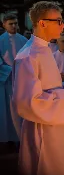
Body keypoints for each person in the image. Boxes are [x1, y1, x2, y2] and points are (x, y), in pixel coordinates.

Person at [12, 1, 64, 175]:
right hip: (42, 130)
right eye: (58, 21)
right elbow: (28, 101)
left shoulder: (45, 50)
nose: (63, 25)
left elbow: (46, 88)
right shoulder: (28, 56)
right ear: (42, 23)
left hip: (54, 126)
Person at [0, 13, 27, 143]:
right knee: (7, 111)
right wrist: (8, 70)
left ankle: (21, 139)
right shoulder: (0, 40)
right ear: (4, 24)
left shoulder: (24, 40)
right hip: (7, 80)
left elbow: (30, 59)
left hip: (21, 80)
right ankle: (8, 139)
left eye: (15, 23)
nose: (14, 26)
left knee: (20, 111)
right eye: (11, 23)